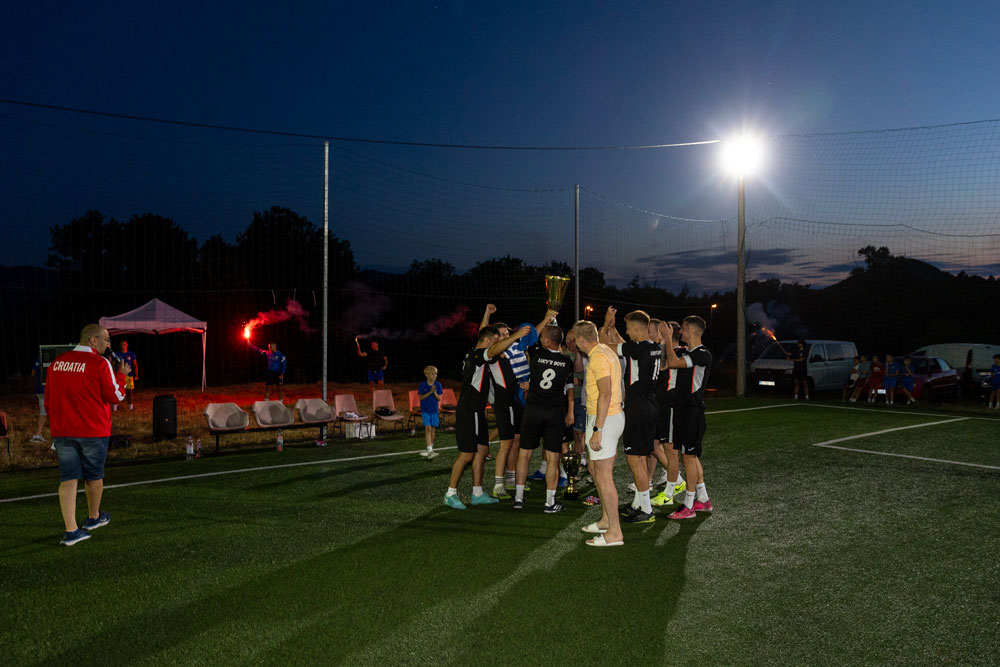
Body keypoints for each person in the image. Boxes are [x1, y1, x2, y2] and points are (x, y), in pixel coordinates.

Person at [44, 324, 127, 546]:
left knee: (68, 478)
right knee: (94, 476)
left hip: (63, 431)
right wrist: (121, 376)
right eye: (106, 339)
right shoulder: (100, 363)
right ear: (92, 340)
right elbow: (115, 396)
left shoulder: (57, 363)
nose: (108, 345)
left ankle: (71, 530)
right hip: (93, 431)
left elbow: (48, 401)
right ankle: (93, 517)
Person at [444, 324, 530, 509]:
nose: (497, 345)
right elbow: (492, 349)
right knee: (466, 454)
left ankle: (477, 493)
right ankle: (450, 493)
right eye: (495, 341)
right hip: (469, 410)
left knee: (482, 451)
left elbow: (485, 333)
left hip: (478, 410)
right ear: (487, 341)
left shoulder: (478, 353)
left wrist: (487, 314)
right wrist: (515, 336)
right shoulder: (477, 355)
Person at [480, 305, 557, 499]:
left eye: (508, 332)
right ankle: (498, 484)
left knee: (515, 442)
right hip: (506, 401)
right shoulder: (495, 353)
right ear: (494, 338)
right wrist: (487, 314)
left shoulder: (515, 347)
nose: (507, 335)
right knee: (506, 443)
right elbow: (482, 336)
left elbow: (531, 335)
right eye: (502, 334)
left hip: (520, 400)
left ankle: (510, 478)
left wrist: (546, 318)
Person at [600, 307, 659, 524]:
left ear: (636, 327)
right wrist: (615, 330)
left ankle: (646, 509)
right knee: (641, 457)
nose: (626, 331)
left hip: (638, 408)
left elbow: (604, 345)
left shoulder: (637, 348)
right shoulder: (652, 347)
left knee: (635, 458)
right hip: (650, 405)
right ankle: (638, 504)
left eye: (627, 327)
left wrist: (606, 323)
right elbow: (626, 344)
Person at [572, 320, 625, 547]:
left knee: (603, 476)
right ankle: (605, 520)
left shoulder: (599, 357)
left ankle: (615, 533)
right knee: (594, 469)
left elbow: (605, 394)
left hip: (606, 419)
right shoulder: (601, 349)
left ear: (580, 340)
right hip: (602, 417)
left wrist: (597, 429)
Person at [513, 324, 575, 512]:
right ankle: (550, 502)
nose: (540, 340)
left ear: (547, 340)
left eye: (542, 338)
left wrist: (546, 320)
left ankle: (518, 499)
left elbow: (532, 338)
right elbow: (568, 387)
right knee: (553, 457)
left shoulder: (537, 354)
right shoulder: (567, 362)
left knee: (525, 454)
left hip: (533, 410)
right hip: (554, 413)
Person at [659, 317, 713, 520]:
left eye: (682, 329)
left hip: (692, 413)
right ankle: (703, 499)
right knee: (690, 457)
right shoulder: (688, 353)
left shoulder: (702, 354)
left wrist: (667, 338)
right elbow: (666, 365)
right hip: (684, 412)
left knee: (688, 458)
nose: (680, 332)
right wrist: (664, 343)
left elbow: (673, 362)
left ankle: (689, 505)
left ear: (692, 330)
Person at [649, 319, 686, 507]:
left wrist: (666, 341)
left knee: (671, 452)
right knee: (653, 445)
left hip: (671, 406)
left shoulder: (679, 352)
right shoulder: (667, 350)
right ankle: (677, 480)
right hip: (661, 406)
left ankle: (669, 493)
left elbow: (665, 365)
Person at [417, 365, 443, 458]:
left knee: (432, 429)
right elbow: (421, 397)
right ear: (427, 375)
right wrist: (430, 392)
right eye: (432, 374)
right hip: (425, 410)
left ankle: (430, 448)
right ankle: (429, 449)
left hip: (434, 410)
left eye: (435, 374)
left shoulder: (438, 385)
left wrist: (434, 392)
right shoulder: (423, 385)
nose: (434, 376)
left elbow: (439, 398)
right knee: (427, 428)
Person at [113, 340, 138, 411]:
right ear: (119, 346)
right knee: (117, 390)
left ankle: (131, 407)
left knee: (129, 391)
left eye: (124, 344)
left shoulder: (131, 354)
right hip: (119, 375)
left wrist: (136, 375)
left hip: (129, 375)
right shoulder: (116, 354)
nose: (123, 346)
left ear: (127, 345)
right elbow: (113, 364)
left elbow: (135, 365)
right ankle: (115, 407)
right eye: (121, 344)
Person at [31, 357, 48, 443]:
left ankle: (37, 434)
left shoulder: (38, 360)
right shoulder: (50, 360)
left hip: (40, 390)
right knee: (46, 413)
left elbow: (32, 373)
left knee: (44, 413)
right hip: (46, 391)